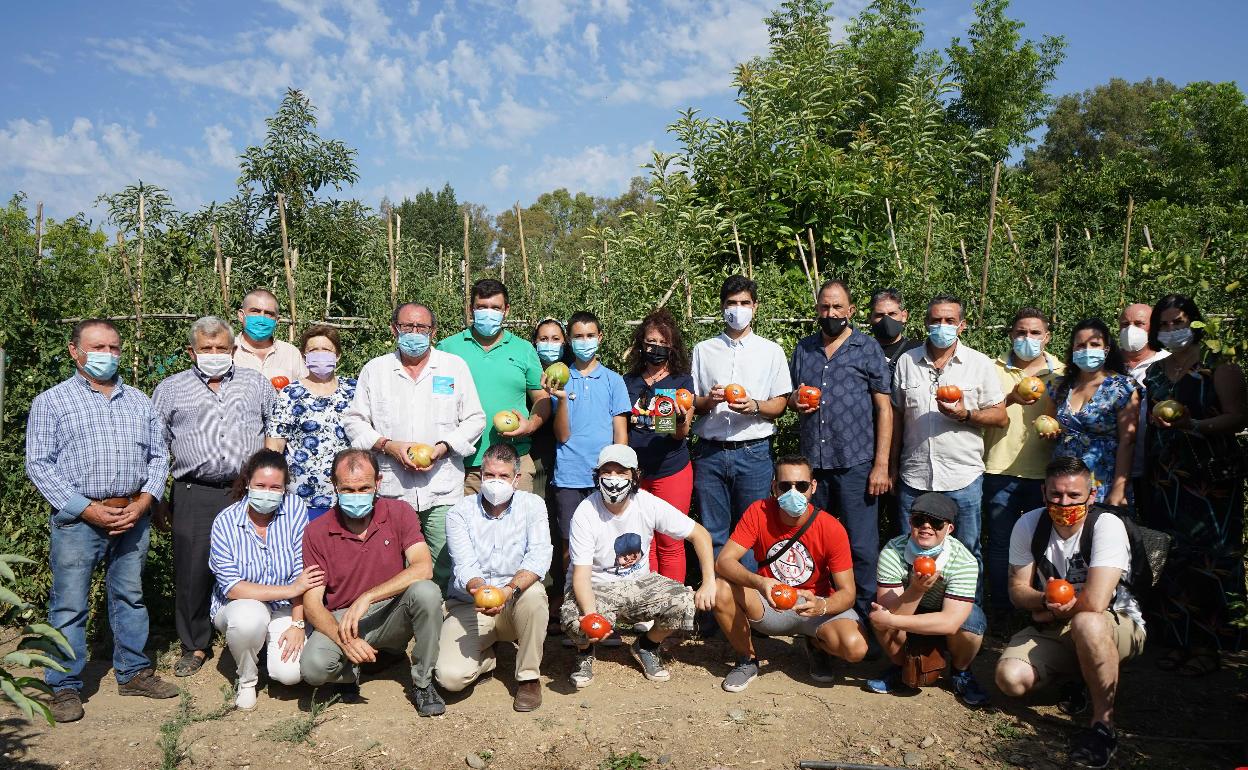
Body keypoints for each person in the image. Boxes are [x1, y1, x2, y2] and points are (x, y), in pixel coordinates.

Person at [25, 319, 178, 722]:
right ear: (75, 351)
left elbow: (159, 457)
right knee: (69, 605)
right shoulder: (52, 402)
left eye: (113, 348)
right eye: (97, 347)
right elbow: (39, 465)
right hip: (79, 518)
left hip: (132, 513)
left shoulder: (139, 402)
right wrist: (85, 507)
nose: (106, 355)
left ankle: (133, 671)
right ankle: (63, 687)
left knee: (130, 596)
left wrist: (145, 500)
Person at [995, 457, 1147, 769]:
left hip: (1116, 621)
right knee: (1010, 679)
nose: (1064, 503)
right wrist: (1044, 601)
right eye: (1056, 495)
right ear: (1043, 492)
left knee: (1087, 622)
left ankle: (1103, 725)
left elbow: (1095, 603)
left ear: (1092, 495)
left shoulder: (1106, 526)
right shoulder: (1029, 525)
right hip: (1057, 624)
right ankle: (1080, 676)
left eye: (1074, 496)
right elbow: (1018, 591)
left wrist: (1048, 613)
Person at [153, 316, 275, 677]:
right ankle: (195, 644)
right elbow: (156, 445)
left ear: (234, 349)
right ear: (192, 352)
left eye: (221, 348)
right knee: (193, 568)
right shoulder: (171, 388)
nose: (214, 354)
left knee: (257, 561)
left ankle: (259, 638)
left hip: (247, 491)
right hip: (195, 490)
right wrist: (157, 496)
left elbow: (274, 429)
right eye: (207, 349)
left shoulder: (256, 383)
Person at [342, 302, 485, 592]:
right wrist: (387, 445)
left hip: (442, 485)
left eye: (421, 327)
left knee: (445, 558)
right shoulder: (376, 370)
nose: (414, 333)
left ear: (433, 331)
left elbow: (475, 419)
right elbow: (355, 422)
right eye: (407, 327)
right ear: (394, 328)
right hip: (394, 487)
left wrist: (443, 447)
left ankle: (439, 619)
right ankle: (399, 623)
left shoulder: (453, 367)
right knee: (393, 560)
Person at [1141, 294, 1246, 673]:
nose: (1171, 330)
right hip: (1166, 477)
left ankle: (1210, 646)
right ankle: (1178, 640)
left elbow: (1238, 417)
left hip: (1209, 478)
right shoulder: (1156, 372)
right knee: (1170, 558)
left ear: (1195, 323)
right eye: (1164, 325)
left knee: (1212, 557)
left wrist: (1195, 426)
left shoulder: (1220, 366)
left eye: (1178, 322)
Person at [299, 449, 446, 716]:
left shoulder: (399, 512)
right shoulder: (316, 531)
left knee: (427, 592)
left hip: (391, 611)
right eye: (348, 489)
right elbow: (312, 602)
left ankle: (423, 682)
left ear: (378, 483)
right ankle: (348, 672)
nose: (357, 496)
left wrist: (366, 597)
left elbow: (423, 567)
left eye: (364, 488)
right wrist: (344, 641)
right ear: (335, 485)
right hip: (345, 620)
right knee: (314, 668)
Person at [561, 445, 717, 688]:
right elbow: (580, 576)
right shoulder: (585, 512)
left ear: (635, 476)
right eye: (607, 471)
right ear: (597, 475)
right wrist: (591, 616)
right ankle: (584, 652)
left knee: (683, 602)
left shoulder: (647, 503)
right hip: (596, 586)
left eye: (622, 472)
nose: (613, 478)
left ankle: (646, 646)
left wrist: (709, 581)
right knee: (575, 620)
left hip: (638, 584)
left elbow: (700, 534)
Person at [713, 455, 867, 692]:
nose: (793, 492)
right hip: (770, 602)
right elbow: (724, 562)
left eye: (802, 486)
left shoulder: (831, 527)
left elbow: (848, 593)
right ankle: (747, 659)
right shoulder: (759, 512)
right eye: (785, 486)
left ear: (813, 487)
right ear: (774, 487)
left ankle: (817, 644)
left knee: (856, 648)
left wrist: (822, 606)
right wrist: (760, 582)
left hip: (815, 605)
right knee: (720, 588)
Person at [789, 279, 891, 620]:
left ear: (850, 311)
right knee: (811, 544)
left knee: (861, 547)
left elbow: (884, 409)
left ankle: (863, 619)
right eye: (824, 307)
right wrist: (795, 402)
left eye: (837, 307)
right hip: (813, 469)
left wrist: (881, 465)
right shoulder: (804, 349)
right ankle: (815, 620)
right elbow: (791, 395)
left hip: (855, 464)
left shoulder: (867, 349)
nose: (830, 313)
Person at [890, 294, 1007, 581]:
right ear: (926, 323)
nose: (942, 326)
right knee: (910, 552)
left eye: (949, 321)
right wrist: (890, 466)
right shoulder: (907, 361)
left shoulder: (979, 364)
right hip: (914, 476)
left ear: (962, 325)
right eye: (936, 320)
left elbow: (1000, 416)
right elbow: (896, 419)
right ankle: (912, 617)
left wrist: (966, 415)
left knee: (967, 552)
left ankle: (968, 618)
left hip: (962, 477)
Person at [436, 444, 553, 711]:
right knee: (449, 679)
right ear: (480, 474)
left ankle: (528, 677)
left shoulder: (533, 505)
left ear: (516, 478)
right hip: (470, 604)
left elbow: (538, 557)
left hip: (515, 601)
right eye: (490, 475)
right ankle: (488, 658)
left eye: (503, 476)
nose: (495, 482)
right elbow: (464, 565)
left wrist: (508, 590)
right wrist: (479, 590)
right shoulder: (460, 513)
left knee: (535, 595)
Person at [692, 274, 793, 572]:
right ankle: (719, 604)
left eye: (744, 303)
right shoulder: (703, 350)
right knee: (714, 532)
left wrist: (754, 406)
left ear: (755, 307)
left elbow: (780, 403)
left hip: (754, 452)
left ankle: (749, 607)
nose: (738, 309)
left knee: (751, 532)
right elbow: (694, 402)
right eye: (732, 303)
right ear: (722, 307)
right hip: (710, 452)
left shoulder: (771, 351)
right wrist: (708, 401)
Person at [209, 449, 321, 710]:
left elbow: (301, 573)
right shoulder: (225, 522)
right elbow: (233, 587)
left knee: (289, 675)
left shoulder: (295, 510)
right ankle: (247, 680)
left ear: (285, 488)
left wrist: (297, 623)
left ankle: (269, 650)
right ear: (248, 482)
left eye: (275, 487)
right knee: (249, 618)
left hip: (285, 605)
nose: (267, 492)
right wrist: (290, 588)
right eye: (260, 485)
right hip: (239, 604)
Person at [866, 492, 989, 706]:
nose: (926, 526)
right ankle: (899, 666)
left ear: (949, 528)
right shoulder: (893, 551)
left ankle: (961, 671)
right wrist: (916, 590)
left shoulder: (964, 561)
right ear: (910, 522)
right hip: (909, 609)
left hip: (943, 612)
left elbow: (950, 623)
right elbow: (888, 610)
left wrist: (891, 621)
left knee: (972, 624)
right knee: (879, 616)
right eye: (919, 520)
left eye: (936, 522)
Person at [982, 308, 1065, 618]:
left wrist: (1058, 431)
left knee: (1043, 543)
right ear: (1011, 335)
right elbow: (980, 410)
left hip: (1045, 472)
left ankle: (1040, 608)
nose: (1027, 339)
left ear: (1047, 337)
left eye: (1034, 333)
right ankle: (1003, 610)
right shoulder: (992, 368)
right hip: (998, 468)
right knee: (1000, 542)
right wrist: (1010, 399)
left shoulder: (1061, 373)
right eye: (1020, 333)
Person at [438, 279, 550, 494]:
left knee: (517, 525)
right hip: (462, 465)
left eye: (495, 308)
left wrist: (531, 425)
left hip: (513, 462)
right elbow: (438, 399)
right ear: (471, 309)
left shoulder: (523, 349)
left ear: (506, 310)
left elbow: (541, 398)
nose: (488, 313)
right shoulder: (448, 347)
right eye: (481, 307)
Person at [622, 308, 696, 581]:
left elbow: (679, 434)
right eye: (651, 342)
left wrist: (678, 419)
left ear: (672, 347)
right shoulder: (628, 382)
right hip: (638, 473)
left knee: (670, 540)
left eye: (663, 344)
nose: (656, 348)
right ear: (642, 343)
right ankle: (650, 606)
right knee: (645, 540)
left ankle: (674, 605)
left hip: (670, 470)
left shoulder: (681, 381)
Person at [548, 311, 630, 539]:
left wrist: (618, 472)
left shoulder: (614, 380)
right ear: (569, 340)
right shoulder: (559, 379)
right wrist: (562, 398)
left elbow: (621, 435)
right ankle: (570, 578)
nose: (585, 341)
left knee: (608, 539)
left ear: (600, 337)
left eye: (590, 335)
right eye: (578, 336)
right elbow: (562, 436)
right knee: (570, 540)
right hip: (569, 476)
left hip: (605, 476)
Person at [265, 325, 357, 519]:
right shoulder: (290, 394)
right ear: (304, 355)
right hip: (301, 498)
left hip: (349, 494)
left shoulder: (353, 391)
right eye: (314, 350)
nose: (320, 355)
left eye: (327, 350)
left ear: (338, 355)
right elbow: (274, 446)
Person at [1047, 319, 1139, 505]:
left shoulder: (1122, 387)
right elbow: (1049, 422)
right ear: (1072, 349)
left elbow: (1128, 441)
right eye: (1081, 345)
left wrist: (1118, 489)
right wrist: (1049, 432)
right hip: (1063, 480)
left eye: (1094, 344)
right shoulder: (1058, 386)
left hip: (1102, 478)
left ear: (1106, 350)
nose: (1087, 350)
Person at [1117, 302, 1168, 508]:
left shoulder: (1166, 364)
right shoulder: (1105, 364)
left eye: (1139, 323)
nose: (1131, 330)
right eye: (1124, 324)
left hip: (1156, 467)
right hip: (1114, 468)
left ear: (1153, 327)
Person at [232, 288, 309, 382]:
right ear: (241, 315)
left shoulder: (290, 353)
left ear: (277, 320)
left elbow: (305, 389)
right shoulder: (226, 351)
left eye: (269, 314)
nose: (262, 318)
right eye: (255, 311)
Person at [867, 287, 924, 375]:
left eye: (892, 314)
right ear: (869, 318)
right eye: (880, 315)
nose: (886, 320)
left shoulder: (919, 351)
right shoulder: (860, 351)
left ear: (904, 316)